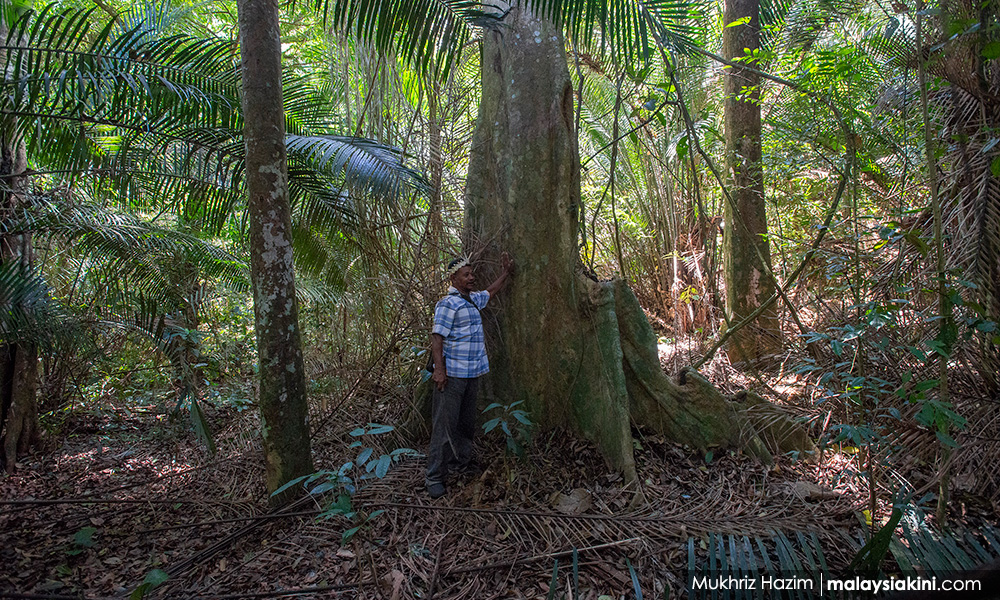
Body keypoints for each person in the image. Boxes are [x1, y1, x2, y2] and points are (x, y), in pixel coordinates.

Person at [426, 252, 513, 499]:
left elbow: (491, 291)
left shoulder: (473, 300)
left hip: (472, 374)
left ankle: (460, 464)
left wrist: (506, 272)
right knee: (444, 426)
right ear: (453, 278)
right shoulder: (447, 304)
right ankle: (434, 476)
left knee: (465, 424)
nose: (472, 278)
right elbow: (437, 338)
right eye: (466, 275)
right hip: (451, 376)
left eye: (472, 274)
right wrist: (439, 371)